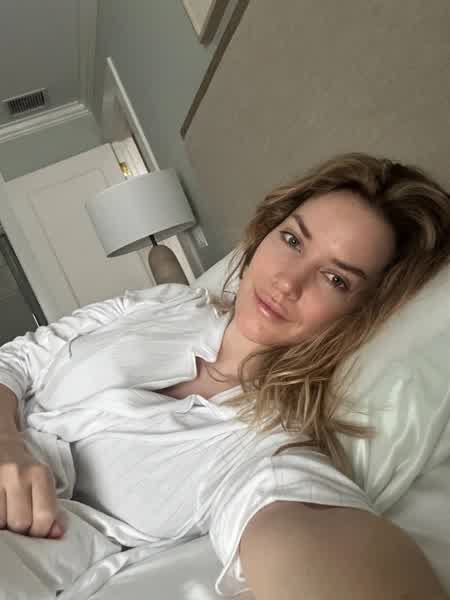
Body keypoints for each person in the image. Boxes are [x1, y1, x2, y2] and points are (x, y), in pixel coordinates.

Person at [0, 152, 449, 599]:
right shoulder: (168, 302)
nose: (287, 282)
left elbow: (305, 536)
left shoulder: (271, 448)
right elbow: (18, 359)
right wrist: (7, 441)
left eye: (335, 279)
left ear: (366, 311)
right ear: (266, 230)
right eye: (292, 240)